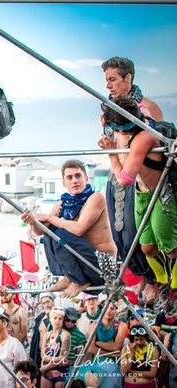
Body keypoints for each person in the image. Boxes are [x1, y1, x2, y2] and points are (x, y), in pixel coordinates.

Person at [99, 96, 177, 313]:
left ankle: (174, 286)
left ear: (120, 128)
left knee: (170, 249)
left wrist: (112, 155)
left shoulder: (143, 137)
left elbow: (125, 178)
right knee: (147, 248)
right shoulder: (135, 126)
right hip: (143, 194)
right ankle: (162, 280)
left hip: (162, 194)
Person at [100, 56, 164, 306]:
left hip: (137, 176)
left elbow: (157, 144)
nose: (108, 85)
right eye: (106, 80)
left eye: (113, 79)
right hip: (116, 172)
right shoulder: (107, 109)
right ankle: (139, 274)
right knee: (120, 232)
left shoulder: (148, 107)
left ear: (128, 79)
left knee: (134, 227)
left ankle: (151, 277)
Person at [21, 159, 117, 298]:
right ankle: (70, 277)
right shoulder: (63, 204)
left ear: (86, 178)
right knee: (52, 232)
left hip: (102, 266)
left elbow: (78, 229)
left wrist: (49, 217)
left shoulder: (96, 198)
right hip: (84, 266)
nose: (74, 181)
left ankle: (78, 280)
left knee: (61, 233)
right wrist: (32, 221)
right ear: (64, 183)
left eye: (78, 176)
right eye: (69, 177)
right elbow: (41, 232)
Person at [77, 301, 126, 388]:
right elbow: (90, 349)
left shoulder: (121, 325)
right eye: (105, 308)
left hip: (114, 365)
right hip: (97, 364)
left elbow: (116, 346)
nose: (108, 311)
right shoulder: (93, 324)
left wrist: (97, 343)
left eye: (112, 309)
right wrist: (111, 353)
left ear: (116, 310)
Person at [39, 306, 71, 387]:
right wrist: (52, 361)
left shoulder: (65, 335)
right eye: (55, 318)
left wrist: (46, 367)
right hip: (47, 373)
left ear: (63, 320)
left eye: (60, 319)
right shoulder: (47, 335)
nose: (57, 321)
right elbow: (43, 356)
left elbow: (62, 358)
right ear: (50, 319)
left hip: (60, 372)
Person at [30, 293, 55, 373]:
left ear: (53, 302)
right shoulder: (40, 318)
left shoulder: (58, 317)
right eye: (44, 303)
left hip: (52, 354)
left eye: (48, 302)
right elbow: (35, 337)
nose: (46, 305)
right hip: (39, 353)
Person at [62, 307, 87, 377]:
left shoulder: (80, 336)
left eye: (73, 321)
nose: (70, 323)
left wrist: (69, 363)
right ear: (64, 318)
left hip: (71, 368)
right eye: (68, 320)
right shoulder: (58, 331)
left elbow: (79, 357)